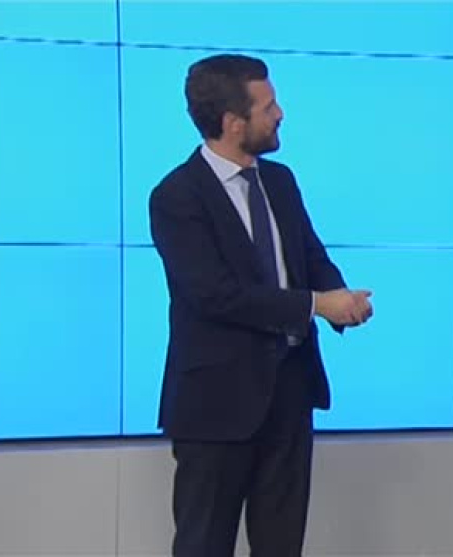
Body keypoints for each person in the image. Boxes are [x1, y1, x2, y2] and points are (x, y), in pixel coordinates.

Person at [149, 53, 373, 557]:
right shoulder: (176, 197)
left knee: (281, 544)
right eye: (268, 106)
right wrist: (316, 305)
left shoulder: (280, 181)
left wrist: (343, 300)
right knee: (205, 544)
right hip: (215, 407)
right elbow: (215, 295)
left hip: (289, 395)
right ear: (233, 122)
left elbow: (310, 258)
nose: (280, 114)